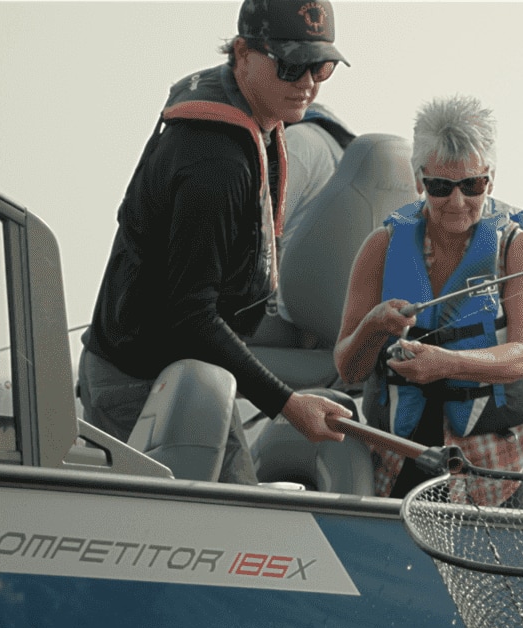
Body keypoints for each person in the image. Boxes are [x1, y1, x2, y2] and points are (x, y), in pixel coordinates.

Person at [78, 0, 354, 484]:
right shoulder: (215, 163)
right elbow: (190, 313)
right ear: (243, 53)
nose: (308, 82)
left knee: (239, 507)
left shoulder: (254, 118)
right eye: (292, 64)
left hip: (187, 369)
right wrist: (288, 404)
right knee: (206, 527)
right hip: (139, 382)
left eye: (321, 66)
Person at [335, 95, 523, 505]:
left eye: (472, 185)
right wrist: (373, 326)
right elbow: (348, 367)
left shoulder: (518, 249)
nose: (457, 202)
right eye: (440, 187)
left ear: (490, 178)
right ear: (419, 181)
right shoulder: (380, 247)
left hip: (499, 460)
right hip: (403, 455)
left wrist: (444, 365)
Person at [252, 101, 355, 349]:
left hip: (282, 313)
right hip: (324, 315)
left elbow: (253, 236)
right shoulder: (338, 151)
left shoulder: (297, 142)